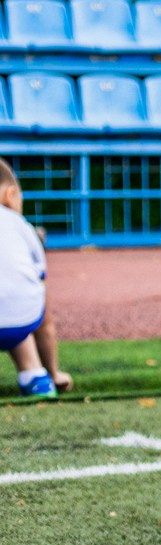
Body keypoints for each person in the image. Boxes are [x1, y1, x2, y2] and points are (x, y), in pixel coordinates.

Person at [0, 158, 66, 397]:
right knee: (15, 298)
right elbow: (45, 318)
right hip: (21, 322)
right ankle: (38, 376)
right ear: (10, 194)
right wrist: (55, 371)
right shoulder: (23, 227)